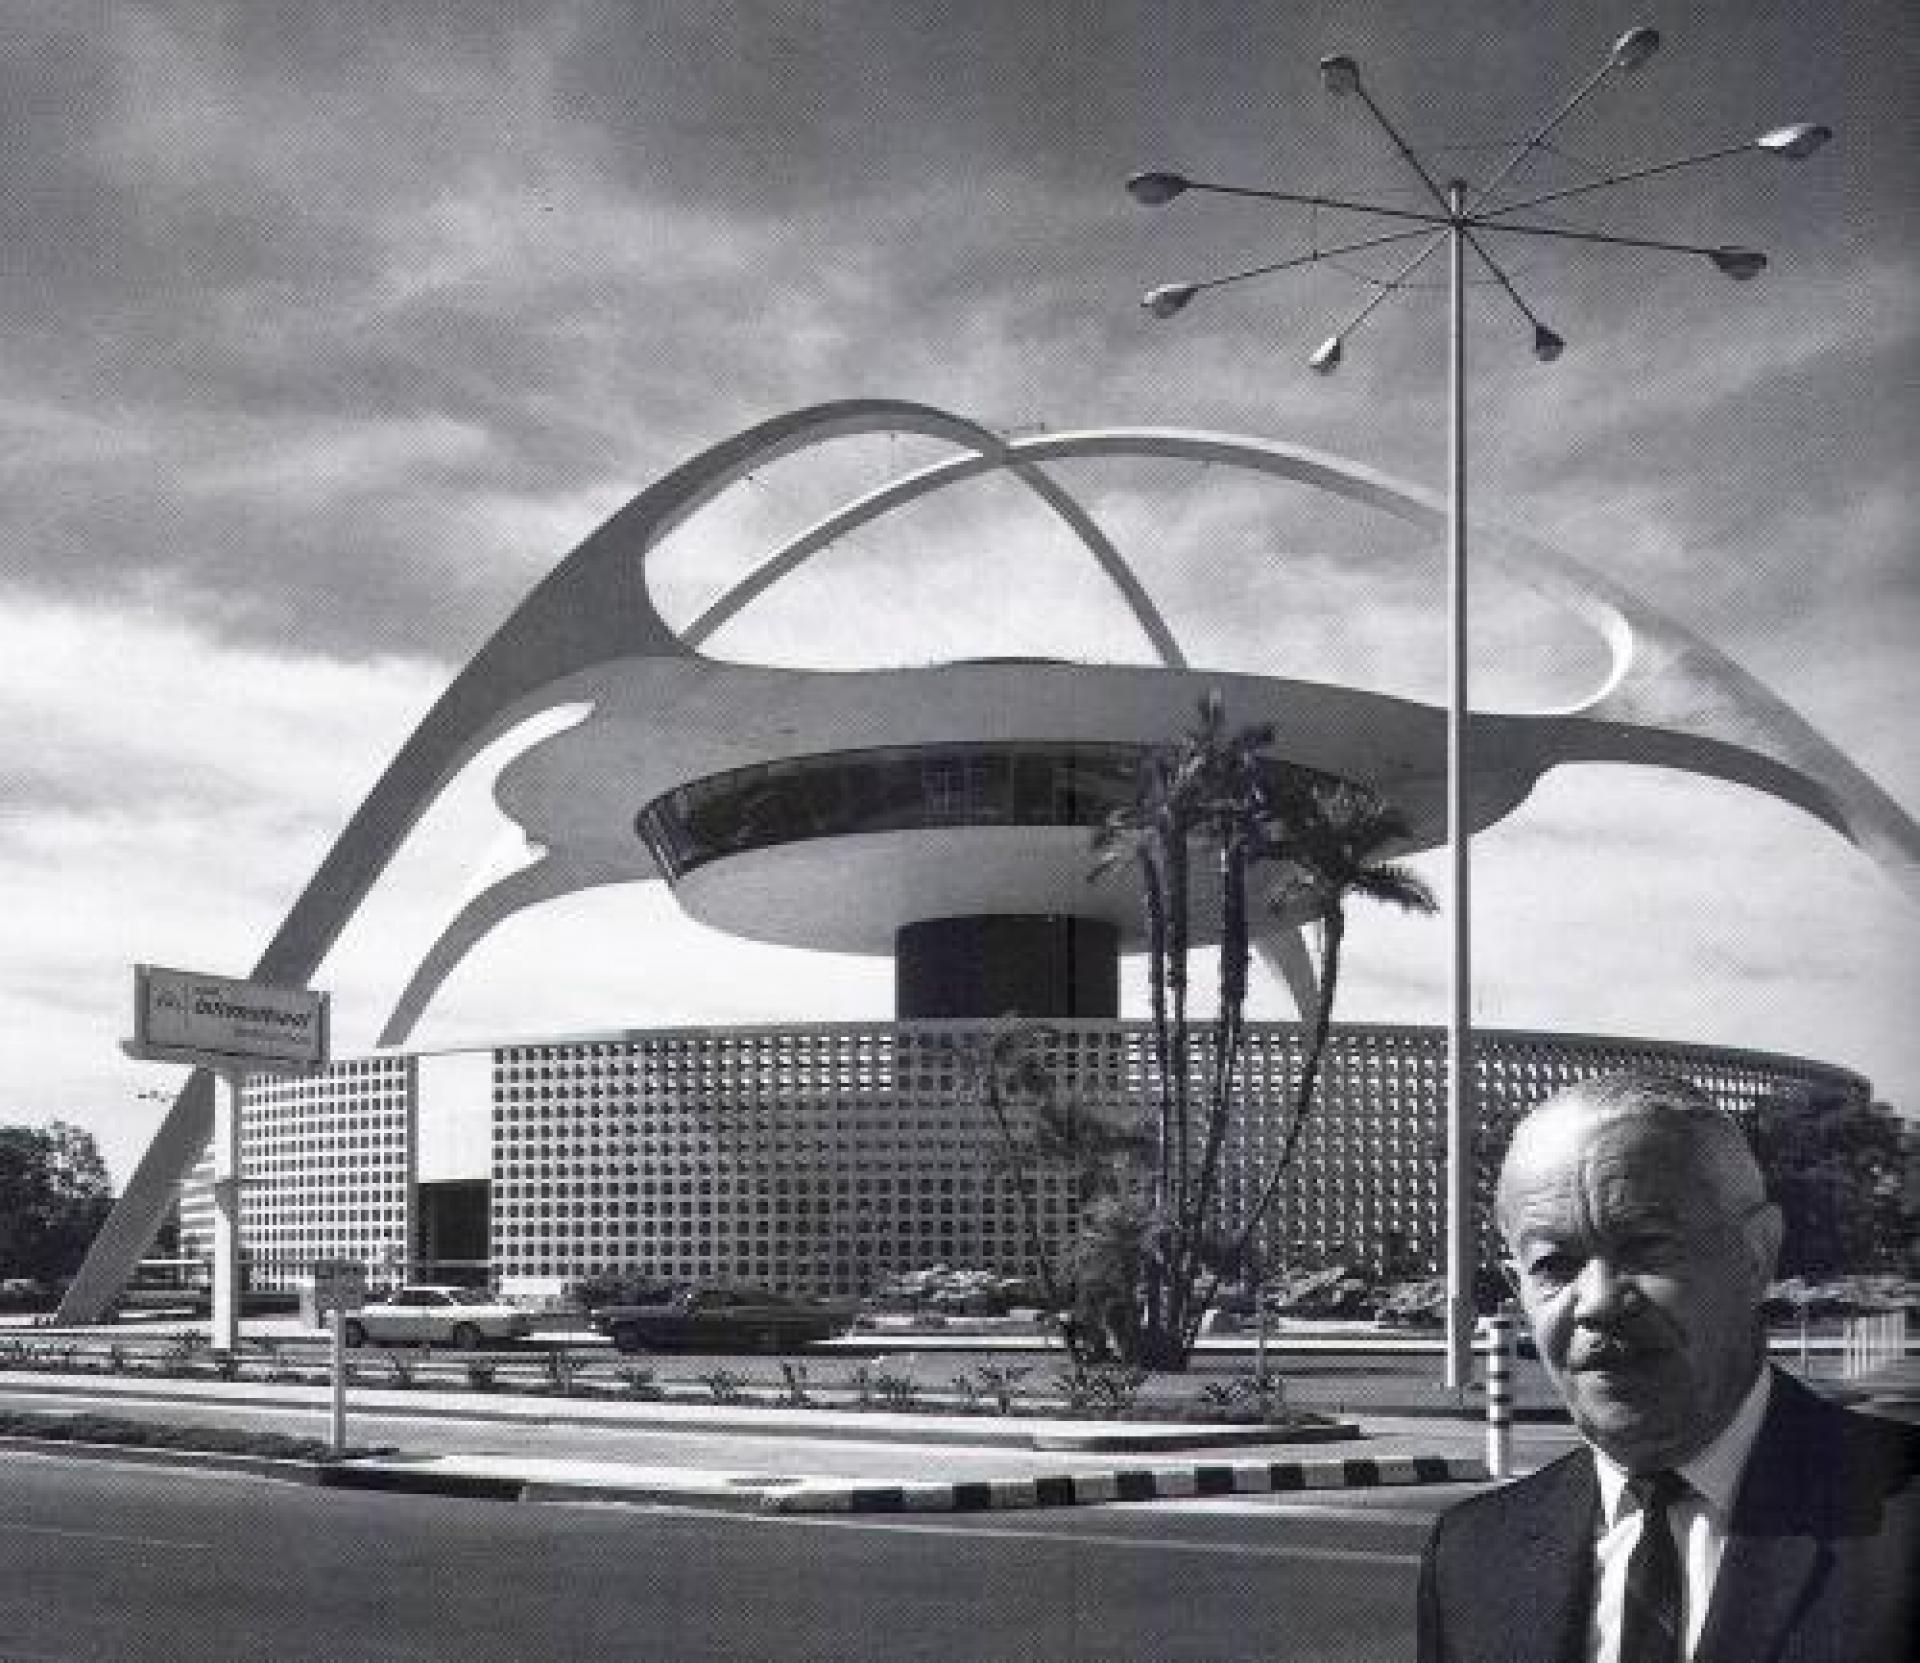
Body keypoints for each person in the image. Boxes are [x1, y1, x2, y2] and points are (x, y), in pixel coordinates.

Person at [1417, 1070, 1916, 1663]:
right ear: (1516, 1289)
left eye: (1647, 1246)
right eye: (1555, 1264)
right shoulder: (1471, 1559)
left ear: (1758, 1254)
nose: (1598, 1300)